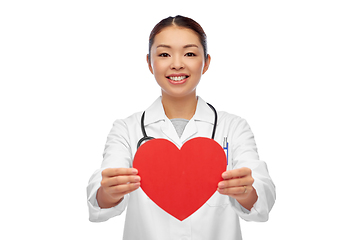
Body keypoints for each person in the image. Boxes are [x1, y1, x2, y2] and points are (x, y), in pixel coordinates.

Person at [87, 15, 276, 240]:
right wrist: (108, 192)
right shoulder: (126, 130)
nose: (177, 63)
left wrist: (246, 192)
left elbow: (262, 196)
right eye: (164, 54)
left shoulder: (233, 127)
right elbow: (100, 197)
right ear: (149, 63)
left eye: (189, 53)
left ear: (205, 62)